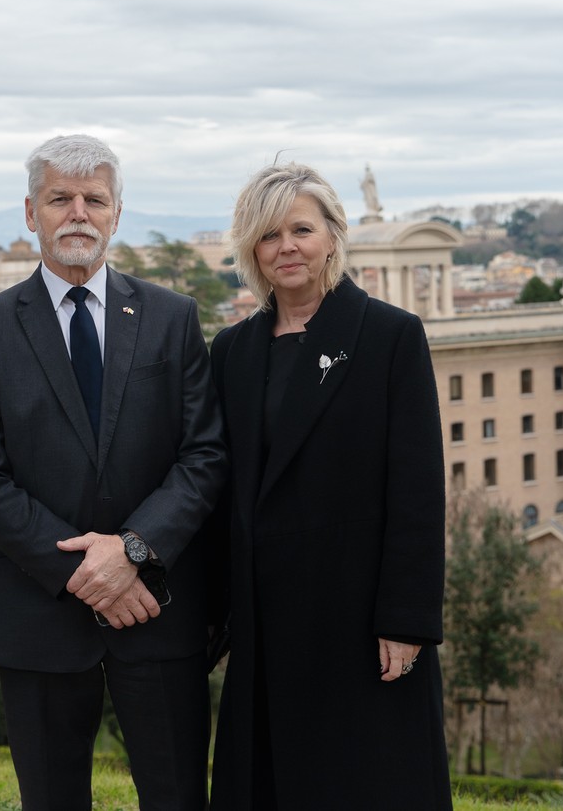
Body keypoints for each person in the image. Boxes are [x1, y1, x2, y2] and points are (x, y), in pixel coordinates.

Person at [0, 133, 227, 811]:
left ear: (116, 214)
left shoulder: (172, 317)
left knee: (177, 798)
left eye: (94, 199)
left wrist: (133, 552)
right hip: (40, 617)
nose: (78, 213)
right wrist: (93, 576)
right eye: (59, 199)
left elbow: (205, 455)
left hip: (156, 611)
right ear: (30, 212)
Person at [208, 161, 451, 810]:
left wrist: (407, 620)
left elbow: (419, 492)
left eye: (301, 230)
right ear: (250, 250)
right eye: (268, 235)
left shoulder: (391, 336)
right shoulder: (231, 351)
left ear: (331, 236)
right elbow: (218, 486)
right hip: (265, 626)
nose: (285, 247)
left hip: (360, 623)